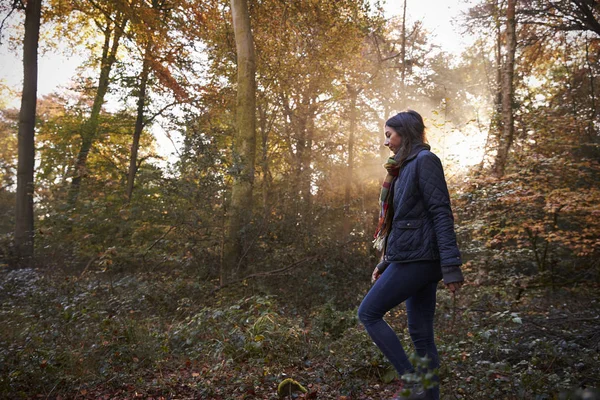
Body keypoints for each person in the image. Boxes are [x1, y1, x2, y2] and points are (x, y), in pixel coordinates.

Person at [357, 110, 464, 400]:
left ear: (404, 133)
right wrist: (387, 260)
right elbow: (405, 222)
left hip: (421, 260)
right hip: (412, 256)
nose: (386, 142)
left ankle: (412, 381)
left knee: (368, 312)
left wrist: (451, 265)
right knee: (420, 334)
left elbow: (441, 214)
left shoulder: (425, 161)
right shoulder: (402, 168)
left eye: (389, 135)